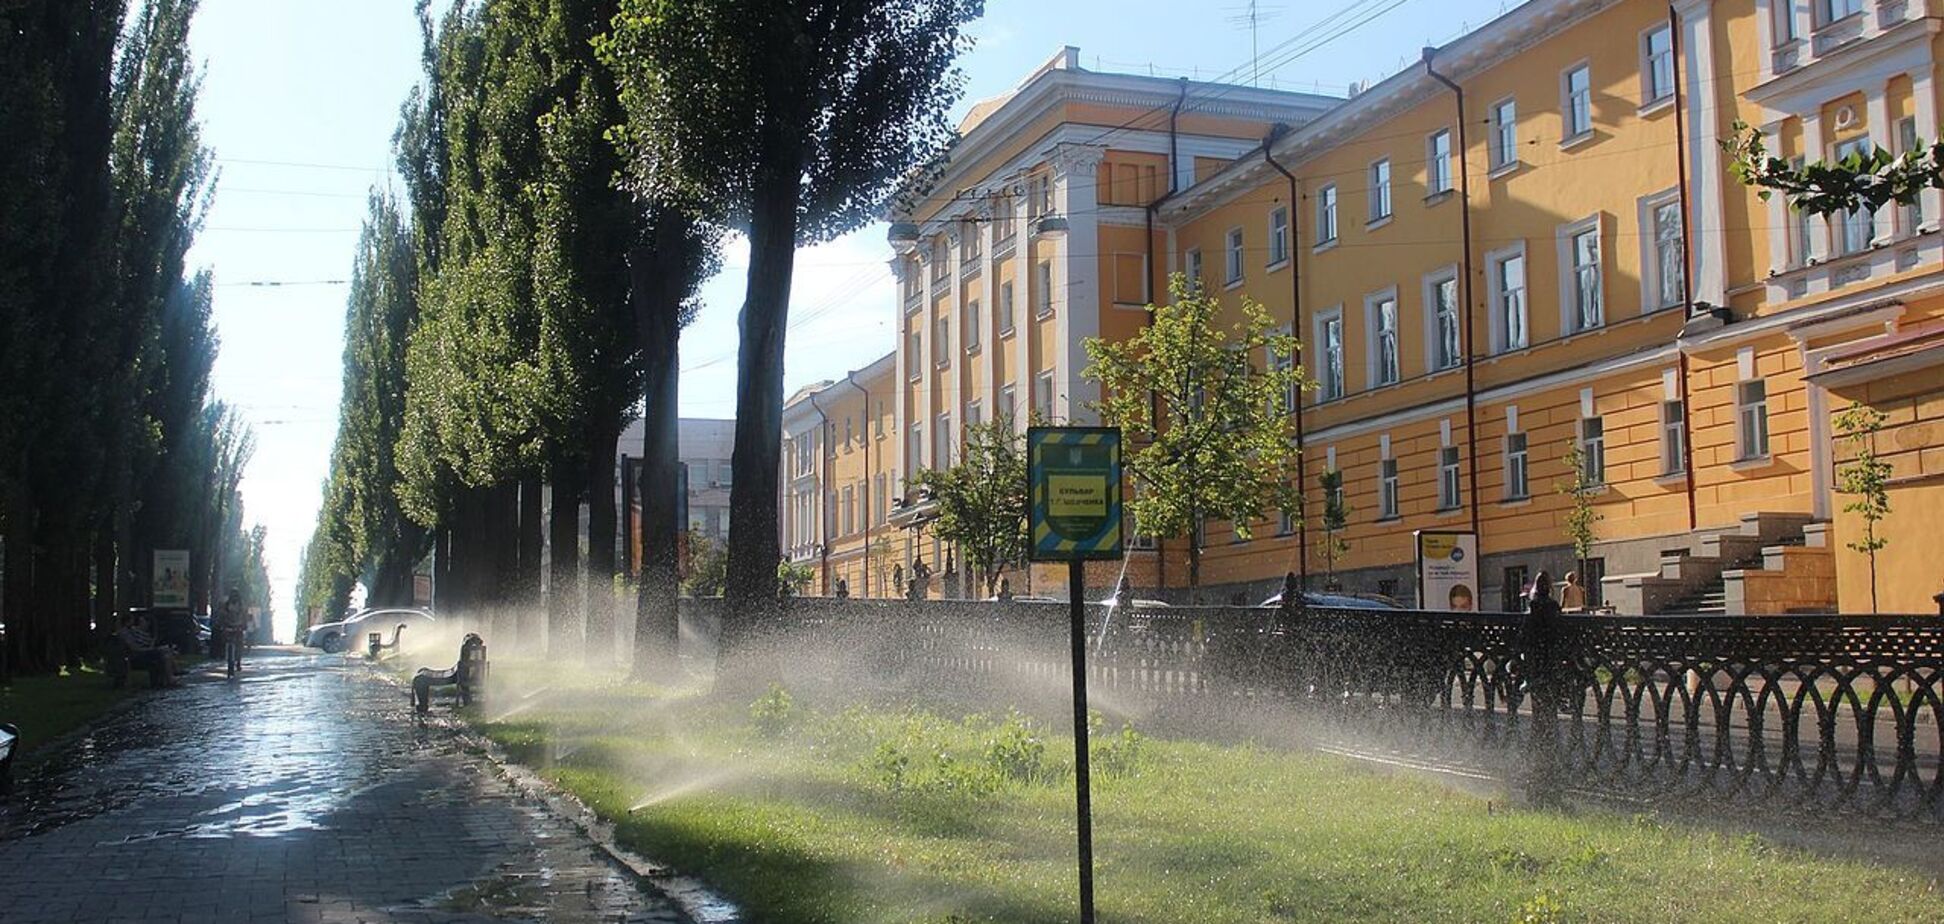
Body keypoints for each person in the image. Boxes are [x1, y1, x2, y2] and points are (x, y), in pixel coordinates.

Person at [115, 614, 180, 687]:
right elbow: (134, 647)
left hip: (138, 653)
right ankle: (172, 676)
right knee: (165, 651)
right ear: (127, 622)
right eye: (132, 621)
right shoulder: (125, 633)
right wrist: (148, 649)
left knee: (166, 654)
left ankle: (170, 677)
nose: (134, 623)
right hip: (136, 655)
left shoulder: (128, 631)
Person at [217, 588, 249, 678]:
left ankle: (238, 661)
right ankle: (227, 659)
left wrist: (244, 626)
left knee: (239, 644)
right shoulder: (225, 605)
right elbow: (221, 616)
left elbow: (245, 617)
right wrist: (221, 625)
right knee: (226, 642)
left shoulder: (242, 605)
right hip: (228, 627)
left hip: (238, 628)